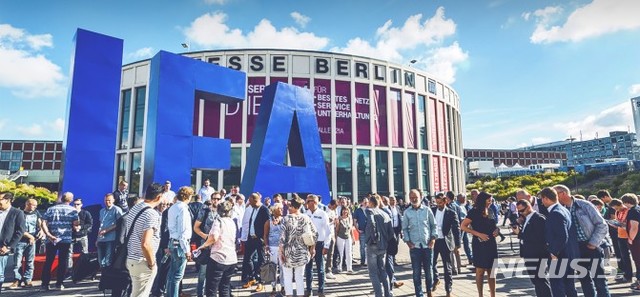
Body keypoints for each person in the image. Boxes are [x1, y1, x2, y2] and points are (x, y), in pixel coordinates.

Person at [554, 184, 610, 297]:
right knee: (584, 280)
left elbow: (602, 225)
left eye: (555, 194)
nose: (554, 197)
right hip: (576, 249)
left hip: (592, 246)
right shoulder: (562, 209)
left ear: (563, 193)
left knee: (599, 281)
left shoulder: (584, 205)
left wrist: (593, 243)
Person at [125, 183, 163, 297]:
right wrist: (152, 263)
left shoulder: (136, 207)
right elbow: (146, 244)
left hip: (131, 257)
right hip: (142, 261)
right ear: (159, 197)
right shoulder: (152, 214)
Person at [539, 187, 578, 297]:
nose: (541, 202)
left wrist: (554, 252)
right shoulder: (563, 209)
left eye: (542, 199)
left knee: (558, 286)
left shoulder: (555, 213)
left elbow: (562, 235)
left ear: (546, 198)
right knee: (569, 286)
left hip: (559, 255)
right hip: (568, 253)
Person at [460, 191, 499, 297]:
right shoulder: (473, 212)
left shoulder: (490, 210)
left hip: (491, 243)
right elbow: (463, 226)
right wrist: (478, 234)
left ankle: (493, 294)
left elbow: (494, 225)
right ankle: (480, 295)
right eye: (488, 200)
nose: (490, 202)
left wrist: (497, 230)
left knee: (492, 271)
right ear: (482, 201)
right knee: (480, 270)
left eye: (491, 200)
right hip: (479, 244)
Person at [195, 200, 238, 297]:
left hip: (218, 258)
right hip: (231, 258)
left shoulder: (218, 221)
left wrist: (203, 246)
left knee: (211, 289)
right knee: (225, 288)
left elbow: (214, 237)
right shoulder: (232, 222)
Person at [511, 199, 551, 297]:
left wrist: (519, 233)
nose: (520, 213)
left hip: (538, 254)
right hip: (529, 253)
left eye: (522, 210)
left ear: (529, 207)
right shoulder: (527, 218)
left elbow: (538, 237)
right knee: (536, 281)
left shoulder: (538, 218)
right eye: (519, 211)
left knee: (540, 280)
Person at [40, 192, 79, 291]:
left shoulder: (51, 209)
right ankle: (59, 283)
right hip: (65, 239)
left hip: (51, 238)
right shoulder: (73, 210)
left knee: (48, 261)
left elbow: (43, 223)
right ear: (70, 200)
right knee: (62, 261)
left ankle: (45, 284)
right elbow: (75, 225)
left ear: (62, 199)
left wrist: (48, 234)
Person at [279, 196, 317, 297]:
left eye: (290, 206)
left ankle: (289, 295)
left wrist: (281, 252)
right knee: (300, 277)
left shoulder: (286, 219)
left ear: (294, 207)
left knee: (287, 276)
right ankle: (300, 295)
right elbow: (315, 234)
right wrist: (312, 248)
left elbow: (282, 239)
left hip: (288, 252)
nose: (288, 207)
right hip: (302, 252)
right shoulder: (306, 218)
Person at [403, 189, 436, 297]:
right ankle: (419, 294)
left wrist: (433, 239)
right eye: (411, 197)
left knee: (429, 271)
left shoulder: (427, 210)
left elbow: (433, 225)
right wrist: (408, 242)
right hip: (415, 247)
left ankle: (429, 291)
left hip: (427, 245)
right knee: (416, 273)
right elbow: (405, 229)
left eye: (415, 197)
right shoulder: (407, 212)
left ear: (420, 197)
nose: (413, 199)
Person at [166, 186, 194, 297]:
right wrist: (187, 250)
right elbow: (183, 231)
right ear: (188, 196)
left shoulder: (173, 207)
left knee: (172, 275)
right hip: (180, 244)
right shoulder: (183, 209)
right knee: (177, 276)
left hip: (173, 241)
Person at [430, 193, 460, 297]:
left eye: (441, 202)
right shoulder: (432, 211)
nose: (438, 204)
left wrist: (458, 244)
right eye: (437, 202)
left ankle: (448, 290)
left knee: (447, 267)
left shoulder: (451, 213)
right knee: (431, 263)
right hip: (434, 241)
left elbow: (457, 228)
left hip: (445, 241)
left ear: (445, 201)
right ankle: (436, 279)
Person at [365, 194, 394, 297]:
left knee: (373, 272)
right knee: (382, 270)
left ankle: (379, 294)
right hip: (383, 246)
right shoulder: (385, 213)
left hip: (373, 245)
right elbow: (391, 232)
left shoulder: (370, 211)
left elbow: (372, 224)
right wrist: (384, 241)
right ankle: (388, 293)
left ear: (371, 203)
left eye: (368, 202)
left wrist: (373, 238)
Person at [193, 192, 222, 297]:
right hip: (205, 246)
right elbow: (196, 227)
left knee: (216, 273)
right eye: (214, 198)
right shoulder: (204, 211)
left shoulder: (222, 212)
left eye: (218, 199)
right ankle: (200, 294)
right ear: (211, 199)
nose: (216, 201)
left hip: (218, 246)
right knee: (202, 273)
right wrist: (204, 236)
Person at [240, 192, 270, 292]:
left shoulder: (264, 209)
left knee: (261, 260)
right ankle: (252, 278)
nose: (249, 203)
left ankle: (261, 282)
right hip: (251, 238)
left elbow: (267, 224)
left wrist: (264, 238)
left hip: (260, 239)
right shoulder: (253, 209)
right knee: (247, 259)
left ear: (255, 200)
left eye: (250, 201)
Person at [10, 198, 41, 289]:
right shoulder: (20, 214)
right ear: (27, 204)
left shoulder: (36, 213)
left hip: (32, 241)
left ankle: (28, 280)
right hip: (20, 240)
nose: (34, 207)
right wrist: (30, 237)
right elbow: (19, 229)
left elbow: (40, 223)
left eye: (35, 206)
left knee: (30, 262)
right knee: (17, 262)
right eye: (32, 205)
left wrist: (41, 231)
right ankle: (17, 280)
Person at [304, 194, 332, 297]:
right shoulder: (305, 214)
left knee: (320, 268)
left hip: (320, 244)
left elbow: (328, 231)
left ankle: (321, 290)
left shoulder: (322, 214)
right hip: (307, 244)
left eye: (308, 201)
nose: (306, 203)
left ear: (314, 202)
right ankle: (309, 289)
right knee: (308, 268)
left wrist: (326, 246)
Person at [0, 192, 26, 294]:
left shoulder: (17, 213)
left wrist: (9, 246)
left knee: (0, 272)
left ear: (7, 200)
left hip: (3, 247)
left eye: (0, 199)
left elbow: (20, 231)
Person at [609, 198, 633, 283]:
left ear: (620, 204)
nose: (616, 210)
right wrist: (613, 223)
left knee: (634, 257)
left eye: (616, 208)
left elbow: (629, 223)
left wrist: (621, 224)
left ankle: (634, 276)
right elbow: (618, 223)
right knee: (624, 257)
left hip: (629, 235)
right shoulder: (617, 212)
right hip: (620, 235)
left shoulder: (628, 211)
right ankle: (627, 275)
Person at [263, 202, 285, 296]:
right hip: (272, 247)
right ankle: (273, 287)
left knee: (283, 267)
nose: (281, 210)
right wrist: (266, 246)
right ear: (274, 210)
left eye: (282, 208)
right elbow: (265, 235)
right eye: (279, 208)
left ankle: (283, 286)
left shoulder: (285, 220)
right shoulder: (268, 221)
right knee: (273, 268)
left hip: (283, 247)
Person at [97, 193, 124, 268]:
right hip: (101, 238)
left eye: (109, 200)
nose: (107, 202)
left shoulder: (116, 209)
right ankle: (103, 275)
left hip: (110, 238)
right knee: (100, 261)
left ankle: (107, 276)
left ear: (113, 200)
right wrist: (97, 239)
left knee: (108, 260)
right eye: (106, 200)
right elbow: (101, 224)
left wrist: (107, 230)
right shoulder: (102, 211)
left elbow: (120, 223)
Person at [621, 193, 640, 291]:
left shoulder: (633, 211)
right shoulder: (638, 209)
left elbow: (634, 227)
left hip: (636, 240)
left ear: (627, 202)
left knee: (638, 261)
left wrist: (630, 238)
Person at [69, 198, 93, 271]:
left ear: (81, 205)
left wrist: (81, 227)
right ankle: (69, 271)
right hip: (72, 236)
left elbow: (90, 224)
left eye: (78, 204)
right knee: (69, 254)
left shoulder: (86, 213)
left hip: (83, 236)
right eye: (75, 204)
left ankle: (84, 269)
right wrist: (72, 227)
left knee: (85, 253)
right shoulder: (70, 214)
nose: (76, 206)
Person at [386, 196, 403, 289]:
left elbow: (400, 218)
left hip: (396, 230)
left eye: (394, 200)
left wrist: (401, 231)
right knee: (389, 253)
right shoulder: (386, 209)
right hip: (390, 230)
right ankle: (391, 281)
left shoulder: (398, 208)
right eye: (391, 200)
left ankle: (394, 258)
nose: (393, 202)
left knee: (395, 246)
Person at [455, 193, 473, 266]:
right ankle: (458, 263)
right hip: (460, 226)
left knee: (467, 242)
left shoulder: (462, 205)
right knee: (458, 244)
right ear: (459, 198)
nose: (465, 199)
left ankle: (470, 258)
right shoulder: (457, 206)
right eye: (464, 198)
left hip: (465, 226)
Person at [335, 206, 354, 273]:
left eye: (346, 210)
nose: (345, 211)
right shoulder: (339, 219)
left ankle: (349, 268)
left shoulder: (349, 218)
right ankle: (339, 267)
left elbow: (351, 229)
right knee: (341, 253)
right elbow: (337, 230)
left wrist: (353, 238)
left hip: (348, 237)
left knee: (349, 253)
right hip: (340, 237)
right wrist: (335, 238)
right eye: (344, 210)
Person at [353, 197, 368, 267]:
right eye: (365, 202)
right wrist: (357, 229)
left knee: (369, 246)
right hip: (362, 231)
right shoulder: (358, 211)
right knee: (362, 246)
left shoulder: (369, 210)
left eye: (367, 202)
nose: (366, 204)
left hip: (369, 231)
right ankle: (363, 261)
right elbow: (355, 220)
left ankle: (368, 261)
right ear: (361, 203)